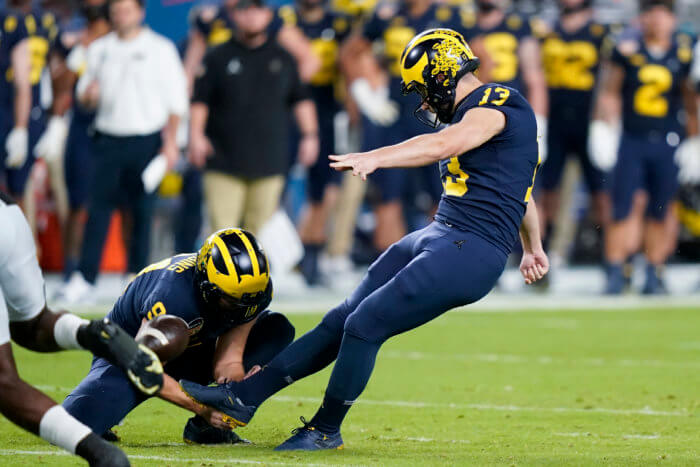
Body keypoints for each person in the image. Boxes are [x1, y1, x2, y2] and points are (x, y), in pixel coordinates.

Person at [181, 28, 548, 451]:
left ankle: (324, 429)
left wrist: (376, 157)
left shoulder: (498, 103)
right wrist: (533, 247)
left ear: (443, 72)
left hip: (470, 249)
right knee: (340, 319)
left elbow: (447, 143)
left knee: (364, 325)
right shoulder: (479, 116)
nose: (425, 102)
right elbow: (522, 193)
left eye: (424, 89)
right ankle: (242, 398)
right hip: (440, 235)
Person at [63, 228, 296, 445]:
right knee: (74, 426)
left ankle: (205, 430)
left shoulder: (252, 292)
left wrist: (237, 390)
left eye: (247, 301)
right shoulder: (171, 295)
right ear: (206, 283)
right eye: (231, 300)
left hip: (194, 347)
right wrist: (203, 409)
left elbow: (229, 359)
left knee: (276, 329)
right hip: (129, 355)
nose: (240, 308)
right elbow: (143, 368)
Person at [0, 191, 164, 466]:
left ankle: (100, 452)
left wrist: (93, 449)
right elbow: (31, 326)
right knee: (33, 322)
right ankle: (94, 333)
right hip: (8, 214)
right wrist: (86, 333)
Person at [57, 0, 188, 304]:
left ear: (141, 12)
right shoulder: (100, 49)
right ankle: (85, 277)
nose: (120, 17)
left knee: (142, 211)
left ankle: (137, 276)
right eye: (116, 11)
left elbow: (176, 100)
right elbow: (85, 97)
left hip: (146, 140)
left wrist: (171, 143)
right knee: (99, 210)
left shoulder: (160, 49)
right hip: (108, 138)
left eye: (126, 11)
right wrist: (89, 96)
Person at [590, 0, 697, 294]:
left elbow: (691, 100)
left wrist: (695, 139)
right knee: (622, 206)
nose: (656, 21)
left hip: (668, 139)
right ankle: (615, 270)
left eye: (662, 14)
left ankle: (655, 271)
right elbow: (610, 92)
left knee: (662, 209)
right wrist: (604, 127)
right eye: (651, 14)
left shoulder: (684, 50)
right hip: (632, 139)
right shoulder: (627, 50)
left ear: (672, 19)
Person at [341, 0, 465, 253]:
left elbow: (477, 61)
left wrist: (454, 103)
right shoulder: (387, 15)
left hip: (434, 114)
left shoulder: (449, 16)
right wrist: (364, 94)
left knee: (444, 192)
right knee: (388, 193)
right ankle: (390, 264)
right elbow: (349, 53)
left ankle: (442, 258)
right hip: (393, 112)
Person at [189, 0, 319, 234]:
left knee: (258, 236)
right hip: (222, 159)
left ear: (268, 15)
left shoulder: (284, 58)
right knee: (222, 235)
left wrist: (310, 135)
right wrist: (195, 135)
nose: (251, 16)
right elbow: (199, 100)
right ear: (234, 15)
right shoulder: (216, 57)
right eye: (244, 10)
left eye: (257, 9)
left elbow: (301, 98)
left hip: (269, 159)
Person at [537, 0, 613, 262]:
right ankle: (545, 251)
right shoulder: (547, 31)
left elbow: (611, 79)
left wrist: (605, 120)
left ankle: (611, 257)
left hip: (587, 120)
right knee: (548, 190)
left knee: (601, 191)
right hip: (555, 120)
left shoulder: (599, 32)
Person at [42, 0, 112, 279]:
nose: (94, 28)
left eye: (99, 23)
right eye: (91, 23)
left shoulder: (119, 48)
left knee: (114, 203)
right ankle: (72, 269)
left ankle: (124, 269)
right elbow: (61, 85)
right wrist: (80, 50)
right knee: (76, 202)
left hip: (116, 132)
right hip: (82, 131)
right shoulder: (82, 47)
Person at [283, 0, 351, 285]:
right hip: (284, 108)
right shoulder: (283, 20)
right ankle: (285, 257)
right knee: (274, 183)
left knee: (324, 186)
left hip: (327, 109)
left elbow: (351, 64)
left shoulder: (340, 23)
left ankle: (311, 254)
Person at [460, 0, 548, 159]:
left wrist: (539, 124)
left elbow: (534, 78)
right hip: (475, 116)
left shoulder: (519, 26)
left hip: (513, 115)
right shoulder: (462, 26)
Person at [183, 0, 319, 92]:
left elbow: (310, 60)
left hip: (263, 98)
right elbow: (190, 68)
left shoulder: (266, 16)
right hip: (222, 102)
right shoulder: (209, 18)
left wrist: (284, 94)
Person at [0, 7, 32, 200]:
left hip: (3, 116)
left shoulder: (11, 21)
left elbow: (22, 82)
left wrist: (21, 128)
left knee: (14, 192)